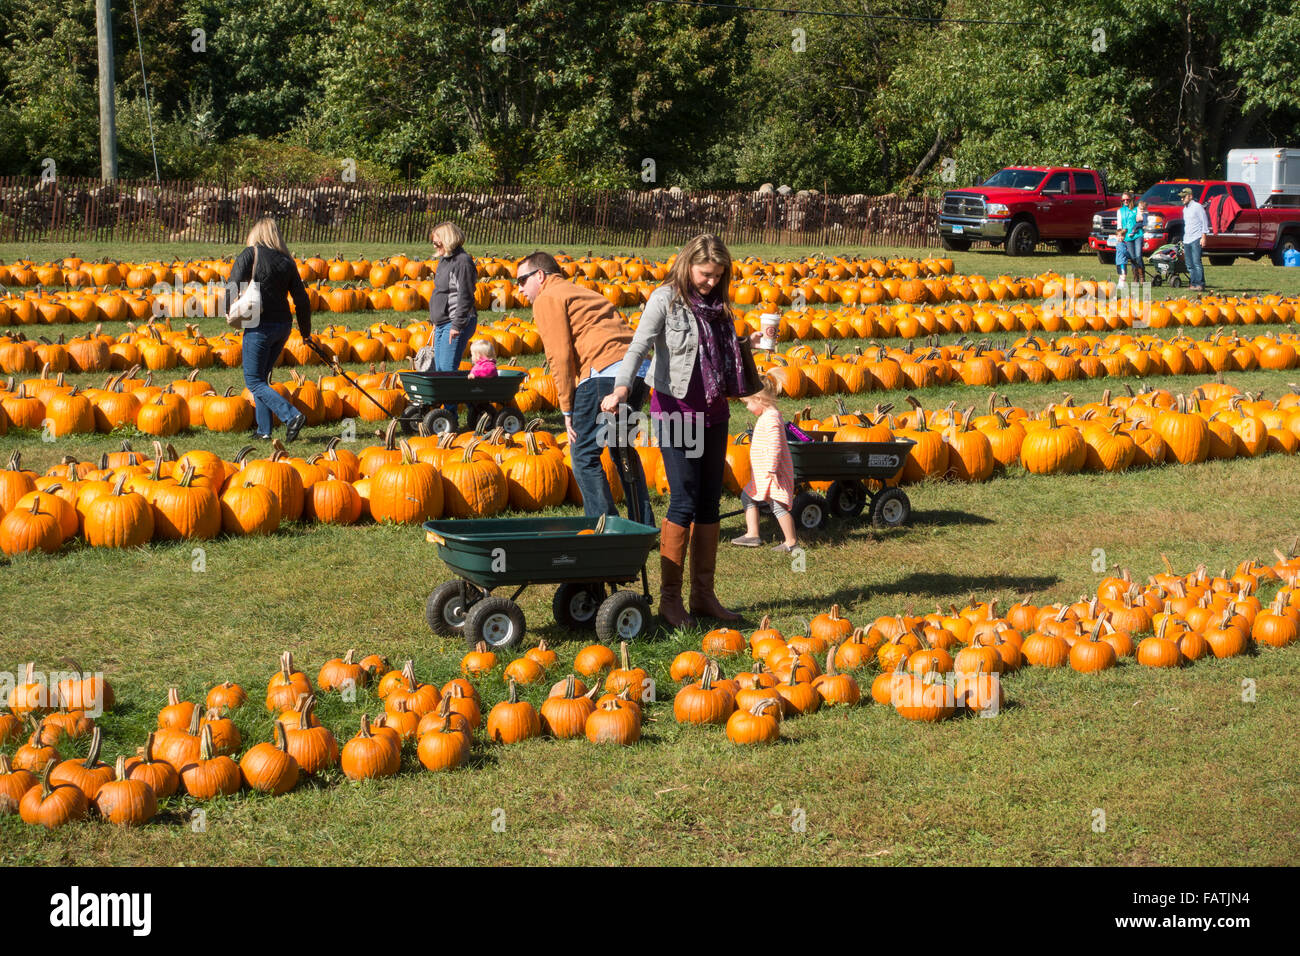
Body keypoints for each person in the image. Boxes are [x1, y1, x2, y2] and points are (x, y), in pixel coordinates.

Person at [603, 233, 759, 627]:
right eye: (705, 274)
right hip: (676, 411)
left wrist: (747, 344)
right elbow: (638, 346)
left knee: (709, 503)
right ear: (688, 264)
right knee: (684, 502)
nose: (710, 282)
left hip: (714, 411)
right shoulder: (665, 300)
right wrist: (622, 386)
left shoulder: (719, 305)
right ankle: (670, 601)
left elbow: (719, 353)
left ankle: (703, 596)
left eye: (717, 276)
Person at [517, 251, 653, 525]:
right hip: (637, 372)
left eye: (522, 280)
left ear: (539, 276)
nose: (519, 289)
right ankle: (643, 526)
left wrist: (567, 407)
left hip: (604, 373)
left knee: (583, 454)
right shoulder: (582, 293)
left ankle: (604, 529)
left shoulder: (548, 297)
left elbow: (560, 355)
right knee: (621, 448)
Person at [226, 217, 310, 442]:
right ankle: (264, 431)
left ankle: (291, 416)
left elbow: (232, 284)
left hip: (259, 326)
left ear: (256, 234)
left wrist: (229, 311)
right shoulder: (287, 261)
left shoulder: (250, 254)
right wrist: (306, 332)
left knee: (253, 381)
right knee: (262, 378)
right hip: (283, 326)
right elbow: (301, 300)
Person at [730, 376, 797, 552]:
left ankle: (791, 541)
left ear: (759, 399)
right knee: (747, 495)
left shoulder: (772, 418)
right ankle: (752, 534)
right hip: (763, 476)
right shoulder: (768, 416)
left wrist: (772, 468)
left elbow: (776, 445)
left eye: (747, 403)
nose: (746, 407)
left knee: (778, 506)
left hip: (773, 474)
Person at [428, 222, 478, 373]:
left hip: (455, 322)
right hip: (442, 322)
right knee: (440, 369)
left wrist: (457, 325)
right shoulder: (445, 259)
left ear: (447, 240)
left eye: (437, 242)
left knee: (447, 371)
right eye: (433, 243)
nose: (435, 246)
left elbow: (465, 296)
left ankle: (455, 396)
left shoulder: (462, 262)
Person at [1180, 187, 1212, 291]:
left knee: (1196, 262)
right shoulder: (1185, 209)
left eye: (1184, 197)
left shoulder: (1197, 207)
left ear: (1190, 196)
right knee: (1189, 264)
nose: (1182, 199)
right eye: (1181, 197)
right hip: (1187, 239)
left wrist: (1204, 237)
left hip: (1196, 238)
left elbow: (1204, 221)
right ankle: (1192, 284)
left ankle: (1200, 284)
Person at [1131, 199, 1148, 283]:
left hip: (1139, 235)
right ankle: (1135, 278)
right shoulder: (1131, 210)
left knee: (1138, 256)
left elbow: (1143, 219)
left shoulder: (1143, 212)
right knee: (1133, 257)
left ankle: (1142, 277)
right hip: (1129, 236)